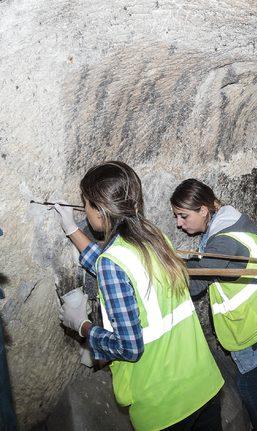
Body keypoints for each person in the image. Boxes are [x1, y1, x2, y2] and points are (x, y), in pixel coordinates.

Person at [53, 161, 224, 431]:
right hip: (203, 383)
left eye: (85, 203)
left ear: (99, 209)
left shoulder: (113, 262)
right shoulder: (156, 239)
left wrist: (83, 326)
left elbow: (129, 347)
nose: (84, 210)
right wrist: (72, 229)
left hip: (164, 402)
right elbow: (120, 267)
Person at [170, 179, 257, 431]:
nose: (179, 223)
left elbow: (194, 285)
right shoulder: (229, 222)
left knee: (247, 384)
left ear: (204, 210)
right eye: (177, 216)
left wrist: (162, 267)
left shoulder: (222, 242)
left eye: (183, 216)